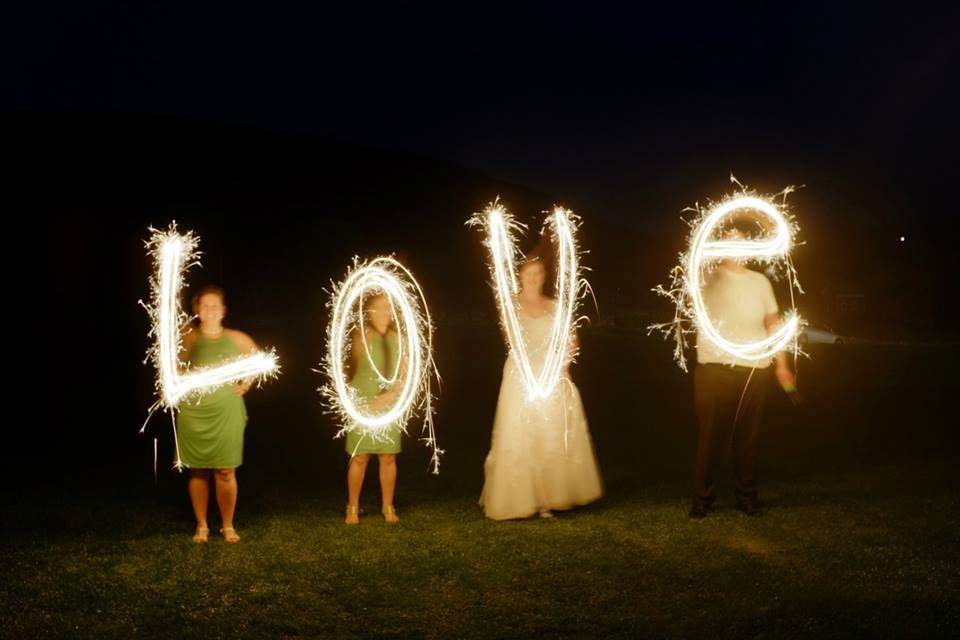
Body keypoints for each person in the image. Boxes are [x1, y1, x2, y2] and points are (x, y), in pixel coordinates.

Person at [480, 253, 603, 520]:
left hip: (553, 373)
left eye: (538, 273)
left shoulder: (555, 306)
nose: (534, 278)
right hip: (522, 375)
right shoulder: (511, 306)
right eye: (528, 274)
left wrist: (561, 364)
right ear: (520, 277)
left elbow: (572, 340)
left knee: (551, 434)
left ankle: (549, 498)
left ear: (544, 276)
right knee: (521, 434)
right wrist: (533, 368)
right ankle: (522, 498)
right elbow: (512, 340)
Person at [689, 226, 797, 519]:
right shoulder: (708, 276)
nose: (737, 246)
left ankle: (746, 496)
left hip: (754, 369)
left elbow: (773, 325)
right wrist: (697, 259)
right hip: (714, 367)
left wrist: (782, 365)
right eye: (730, 240)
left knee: (748, 438)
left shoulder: (761, 282)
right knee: (710, 436)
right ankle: (703, 499)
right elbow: (687, 294)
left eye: (742, 241)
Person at [177, 285, 263, 543]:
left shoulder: (237, 338)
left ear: (224, 310)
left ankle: (227, 525)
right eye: (205, 306)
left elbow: (259, 361)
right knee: (198, 471)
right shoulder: (189, 338)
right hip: (194, 413)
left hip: (227, 412)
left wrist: (245, 384)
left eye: (215, 305)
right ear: (197, 310)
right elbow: (175, 370)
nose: (211, 310)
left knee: (225, 471)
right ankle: (202, 526)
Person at [344, 293, 404, 525]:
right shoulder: (361, 336)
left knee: (388, 456)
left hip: (390, 404)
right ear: (369, 312)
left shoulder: (399, 339)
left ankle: (388, 506)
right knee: (360, 457)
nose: (384, 312)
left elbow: (404, 373)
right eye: (379, 307)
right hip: (363, 403)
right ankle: (352, 507)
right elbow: (348, 369)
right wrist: (364, 402)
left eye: (388, 307)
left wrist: (392, 395)